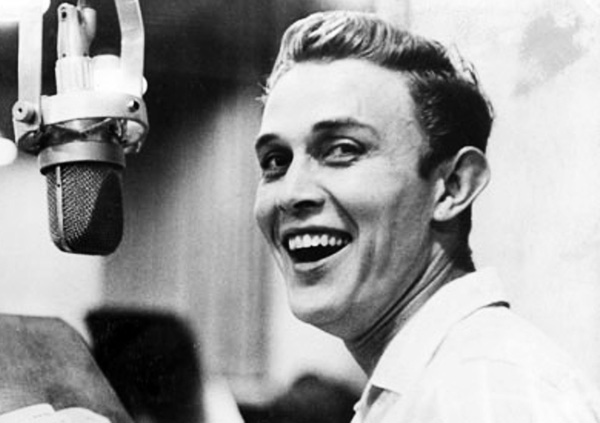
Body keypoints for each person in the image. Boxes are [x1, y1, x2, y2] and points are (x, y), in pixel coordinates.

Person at [253, 10, 600, 423]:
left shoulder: (481, 387)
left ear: (453, 186)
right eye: (275, 161)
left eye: (342, 150)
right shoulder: (434, 383)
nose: (291, 193)